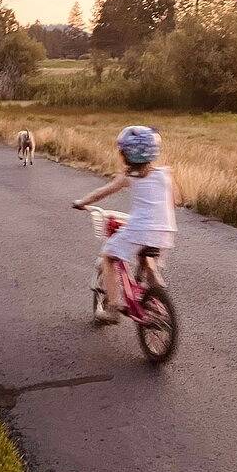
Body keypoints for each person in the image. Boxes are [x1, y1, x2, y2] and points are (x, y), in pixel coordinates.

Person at [72, 125, 179, 324]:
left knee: (109, 257)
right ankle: (155, 285)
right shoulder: (166, 174)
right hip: (165, 230)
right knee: (146, 254)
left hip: (140, 228)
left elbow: (103, 192)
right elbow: (175, 200)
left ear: (125, 155)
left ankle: (113, 307)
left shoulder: (129, 176)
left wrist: (82, 202)